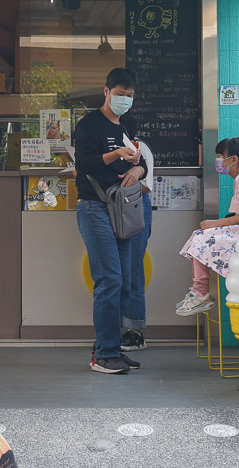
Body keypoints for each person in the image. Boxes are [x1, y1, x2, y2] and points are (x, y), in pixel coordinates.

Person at [74, 67, 147, 374]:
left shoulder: (127, 122)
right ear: (106, 92)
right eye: (119, 95)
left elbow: (141, 160)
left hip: (123, 207)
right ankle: (104, 354)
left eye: (129, 96)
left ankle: (112, 347)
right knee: (109, 279)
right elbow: (84, 163)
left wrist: (136, 170)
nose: (124, 101)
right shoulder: (89, 124)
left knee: (124, 279)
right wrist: (115, 154)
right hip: (95, 207)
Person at [175, 137, 239, 316]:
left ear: (234, 159)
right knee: (199, 235)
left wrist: (216, 223)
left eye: (220, 156)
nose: (218, 161)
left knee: (200, 238)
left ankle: (200, 293)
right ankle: (199, 291)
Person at [120, 139, 154, 352]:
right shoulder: (103, 147)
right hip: (107, 208)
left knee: (132, 272)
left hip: (133, 207)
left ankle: (135, 333)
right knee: (112, 275)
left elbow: (145, 186)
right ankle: (112, 331)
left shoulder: (140, 147)